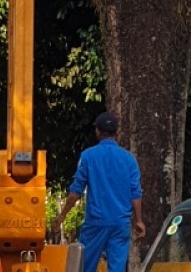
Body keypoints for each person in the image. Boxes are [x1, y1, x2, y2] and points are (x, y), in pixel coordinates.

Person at [54, 112, 145, 272]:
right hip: (120, 223)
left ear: (97, 132)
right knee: (117, 269)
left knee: (86, 266)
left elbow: (76, 192)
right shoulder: (129, 159)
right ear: (117, 132)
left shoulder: (88, 156)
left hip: (96, 222)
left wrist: (62, 216)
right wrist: (138, 220)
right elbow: (135, 194)